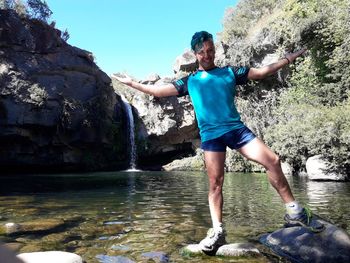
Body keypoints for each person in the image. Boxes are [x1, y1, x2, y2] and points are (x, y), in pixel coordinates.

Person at [113, 31, 324, 253]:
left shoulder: (230, 72)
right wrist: (131, 83)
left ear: (214, 50)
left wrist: (289, 58)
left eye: (210, 50)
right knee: (215, 184)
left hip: (236, 131)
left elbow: (262, 72)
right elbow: (156, 90)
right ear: (195, 54)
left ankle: (295, 212)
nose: (207, 55)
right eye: (202, 52)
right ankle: (217, 230)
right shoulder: (189, 81)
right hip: (211, 137)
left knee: (273, 160)